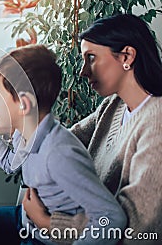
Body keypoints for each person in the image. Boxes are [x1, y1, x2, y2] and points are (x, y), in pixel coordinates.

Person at [0, 44, 126, 245]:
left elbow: (112, 219)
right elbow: (11, 164)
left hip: (42, 238)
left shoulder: (60, 154)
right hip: (25, 220)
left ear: (24, 104)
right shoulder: (29, 134)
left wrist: (48, 225)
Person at [22, 14, 162, 244]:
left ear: (126, 56)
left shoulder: (156, 124)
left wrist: (48, 222)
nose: (82, 71)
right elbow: (59, 142)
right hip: (52, 220)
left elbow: (136, 228)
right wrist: (1, 126)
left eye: (91, 58)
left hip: (68, 231)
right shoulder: (112, 105)